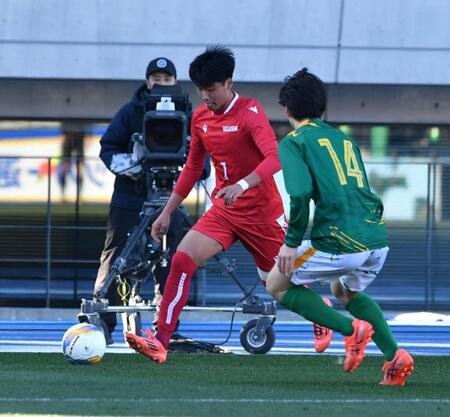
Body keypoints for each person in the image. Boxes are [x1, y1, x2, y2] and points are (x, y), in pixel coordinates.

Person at [125, 45, 287, 363]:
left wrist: (242, 185)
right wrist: (167, 212)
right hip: (224, 212)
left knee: (278, 286)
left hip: (261, 214)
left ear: (229, 83)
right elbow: (190, 168)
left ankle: (322, 313)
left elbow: (275, 157)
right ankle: (161, 340)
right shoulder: (199, 118)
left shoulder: (250, 113)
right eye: (200, 89)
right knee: (182, 260)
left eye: (211, 88)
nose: (205, 96)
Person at [265, 68, 414, 385]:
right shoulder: (343, 139)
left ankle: (351, 330)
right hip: (376, 238)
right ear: (321, 108)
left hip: (341, 242)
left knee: (275, 283)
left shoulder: (294, 142)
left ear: (287, 109)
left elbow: (301, 193)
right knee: (343, 289)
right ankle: (395, 357)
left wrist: (291, 242)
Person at [93, 57, 204, 344]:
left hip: (170, 199)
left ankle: (165, 325)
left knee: (173, 261)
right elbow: (108, 147)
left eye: (167, 79)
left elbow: (201, 155)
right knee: (116, 256)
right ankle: (102, 321)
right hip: (130, 198)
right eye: (156, 78)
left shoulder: (188, 114)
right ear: (147, 81)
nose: (162, 83)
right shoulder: (131, 112)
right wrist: (133, 167)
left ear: (176, 82)